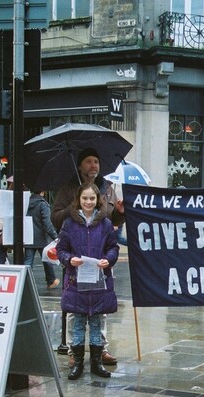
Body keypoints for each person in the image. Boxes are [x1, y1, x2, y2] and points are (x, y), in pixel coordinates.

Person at [51, 148, 119, 365]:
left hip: (100, 260)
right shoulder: (68, 188)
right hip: (76, 260)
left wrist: (121, 212)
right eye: (89, 162)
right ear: (80, 166)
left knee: (100, 308)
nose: (93, 166)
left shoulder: (107, 187)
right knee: (75, 310)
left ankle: (102, 349)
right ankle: (74, 351)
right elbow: (55, 218)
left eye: (96, 161)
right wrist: (71, 211)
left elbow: (111, 220)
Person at [26, 190, 60, 289]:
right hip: (41, 237)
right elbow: (47, 223)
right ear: (43, 192)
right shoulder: (43, 204)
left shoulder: (26, 202)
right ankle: (51, 280)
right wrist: (55, 236)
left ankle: (24, 282)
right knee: (46, 258)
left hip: (28, 236)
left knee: (28, 261)